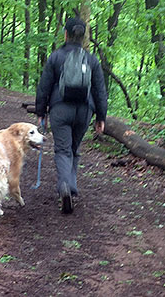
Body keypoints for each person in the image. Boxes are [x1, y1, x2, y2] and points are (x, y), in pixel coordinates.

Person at [35, 16, 107, 214]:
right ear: (84, 37)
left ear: (65, 34)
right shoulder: (92, 60)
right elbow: (100, 91)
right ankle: (70, 186)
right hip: (84, 111)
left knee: (63, 151)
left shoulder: (56, 57)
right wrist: (101, 117)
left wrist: (41, 111)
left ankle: (66, 185)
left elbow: (44, 86)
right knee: (74, 150)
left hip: (60, 109)